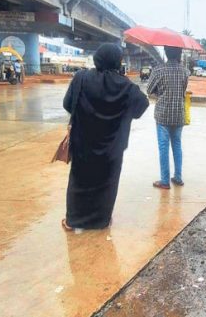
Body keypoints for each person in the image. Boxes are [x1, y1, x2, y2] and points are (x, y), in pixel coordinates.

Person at [62, 43, 149, 230]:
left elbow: (68, 104)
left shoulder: (80, 78)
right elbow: (141, 107)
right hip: (112, 147)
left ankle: (72, 221)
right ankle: (101, 221)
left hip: (82, 142)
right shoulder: (126, 86)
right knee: (106, 184)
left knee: (79, 181)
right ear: (118, 62)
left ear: (97, 58)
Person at [147, 46, 190, 190]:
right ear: (179, 53)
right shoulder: (185, 71)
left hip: (163, 114)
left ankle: (165, 181)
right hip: (179, 113)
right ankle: (178, 177)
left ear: (165, 52)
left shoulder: (159, 70)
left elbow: (149, 90)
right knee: (177, 145)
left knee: (163, 147)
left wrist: (161, 91)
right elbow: (182, 90)